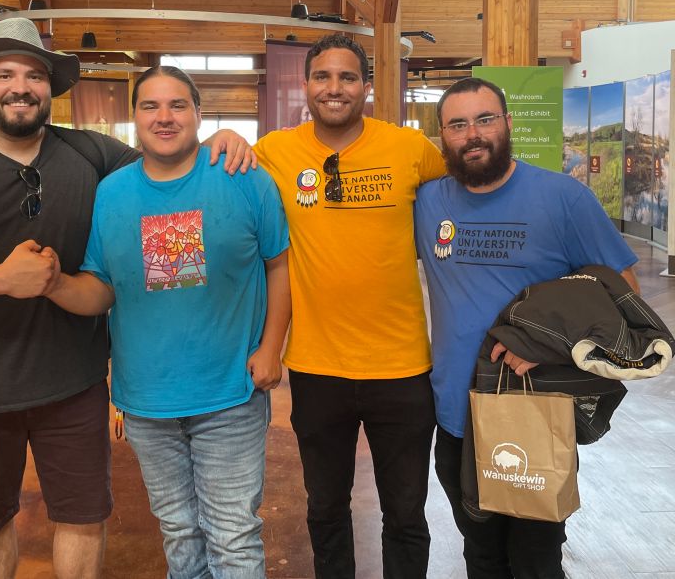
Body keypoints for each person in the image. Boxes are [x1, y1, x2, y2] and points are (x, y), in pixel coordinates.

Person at [0, 18, 253, 579]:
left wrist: (222, 140)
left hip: (73, 382)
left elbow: (171, 161)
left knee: (82, 518)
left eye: (34, 75)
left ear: (51, 87)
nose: (21, 87)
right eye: (5, 73)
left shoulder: (94, 156)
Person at [44, 66, 291, 578]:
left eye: (178, 105)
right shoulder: (112, 193)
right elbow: (102, 285)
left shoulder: (242, 177)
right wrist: (54, 285)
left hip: (230, 393)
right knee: (179, 532)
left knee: (233, 536)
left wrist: (272, 347)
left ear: (199, 113)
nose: (164, 117)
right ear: (134, 117)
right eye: (150, 106)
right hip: (147, 402)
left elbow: (278, 264)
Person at [414, 77, 639, 579]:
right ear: (443, 137)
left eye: (485, 119)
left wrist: (548, 340)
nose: (473, 134)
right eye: (457, 124)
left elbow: (623, 291)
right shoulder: (428, 202)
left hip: (535, 413)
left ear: (508, 124)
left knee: (536, 561)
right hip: (457, 413)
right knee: (482, 555)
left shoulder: (563, 198)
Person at [252, 34, 447, 578]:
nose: (334, 88)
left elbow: (465, 201)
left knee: (406, 512)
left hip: (403, 367)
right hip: (317, 367)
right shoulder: (275, 151)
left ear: (366, 86)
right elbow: (227, 167)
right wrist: (222, 133)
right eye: (322, 77)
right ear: (305, 84)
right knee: (324, 508)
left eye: (346, 77)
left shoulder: (411, 150)